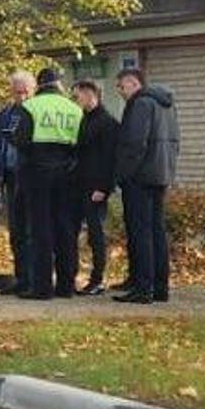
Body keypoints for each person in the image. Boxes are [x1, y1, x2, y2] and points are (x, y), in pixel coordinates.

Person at [13, 67, 83, 300]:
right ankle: (66, 285)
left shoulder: (30, 106)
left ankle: (42, 286)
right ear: (59, 84)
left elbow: (20, 139)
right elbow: (81, 143)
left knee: (40, 229)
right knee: (65, 228)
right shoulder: (74, 108)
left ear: (39, 84)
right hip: (68, 173)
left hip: (37, 172)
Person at [112, 68, 180, 305]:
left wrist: (122, 175)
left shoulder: (140, 104)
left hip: (140, 177)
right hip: (161, 174)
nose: (119, 92)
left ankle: (142, 288)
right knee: (156, 231)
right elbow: (174, 141)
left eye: (120, 87)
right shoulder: (166, 105)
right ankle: (160, 287)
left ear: (132, 83)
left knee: (140, 232)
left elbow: (134, 144)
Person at [0, 70, 35, 296]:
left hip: (31, 177)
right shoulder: (5, 114)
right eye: (17, 92)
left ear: (32, 91)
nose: (21, 96)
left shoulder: (35, 112)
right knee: (16, 231)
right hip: (11, 177)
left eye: (25, 92)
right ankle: (21, 277)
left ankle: (34, 278)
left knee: (31, 230)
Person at [71, 80, 118, 296]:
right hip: (81, 185)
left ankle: (97, 279)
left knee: (95, 234)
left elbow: (110, 159)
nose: (76, 100)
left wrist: (104, 187)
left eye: (77, 95)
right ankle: (74, 276)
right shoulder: (85, 120)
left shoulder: (106, 123)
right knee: (79, 232)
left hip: (95, 188)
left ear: (90, 94)